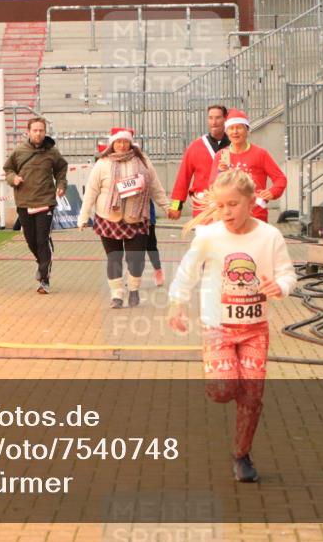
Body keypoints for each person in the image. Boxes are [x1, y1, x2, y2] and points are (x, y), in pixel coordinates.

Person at [167, 169, 297, 483]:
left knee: (252, 399)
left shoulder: (270, 236)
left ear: (251, 202)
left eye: (233, 205)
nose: (226, 212)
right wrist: (177, 303)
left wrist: (280, 287)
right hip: (218, 327)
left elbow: (288, 274)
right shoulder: (209, 236)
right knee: (224, 390)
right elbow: (188, 271)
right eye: (221, 205)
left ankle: (242, 455)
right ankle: (227, 381)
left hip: (255, 328)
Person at [77, 127, 171, 308]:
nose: (121, 145)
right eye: (118, 142)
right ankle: (117, 295)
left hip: (136, 218)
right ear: (112, 144)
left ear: (130, 143)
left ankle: (134, 290)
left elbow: (155, 188)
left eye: (125, 142)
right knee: (114, 258)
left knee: (136, 259)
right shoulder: (102, 163)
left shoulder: (143, 162)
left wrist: (166, 207)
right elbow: (91, 191)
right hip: (108, 218)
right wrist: (83, 216)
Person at [3, 116, 68, 294]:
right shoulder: (19, 151)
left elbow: (61, 169)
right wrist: (13, 179)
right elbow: (8, 169)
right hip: (24, 201)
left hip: (45, 201)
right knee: (31, 239)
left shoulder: (52, 152)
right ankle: (42, 263)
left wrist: (61, 185)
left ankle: (44, 279)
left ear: (45, 132)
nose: (38, 133)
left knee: (42, 238)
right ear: (28, 132)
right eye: (35, 130)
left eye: (41, 130)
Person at [211, 109, 286, 223]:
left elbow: (280, 178)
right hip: (230, 217)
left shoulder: (260, 154)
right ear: (227, 132)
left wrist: (272, 192)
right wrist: (220, 173)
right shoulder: (222, 155)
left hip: (256, 215)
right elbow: (212, 185)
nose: (235, 132)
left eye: (239, 128)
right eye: (231, 128)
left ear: (247, 131)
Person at [169, 104, 230, 219]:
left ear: (225, 119)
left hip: (227, 206)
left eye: (217, 117)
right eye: (210, 118)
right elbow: (183, 178)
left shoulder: (233, 146)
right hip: (203, 206)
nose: (214, 122)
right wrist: (176, 206)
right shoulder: (196, 146)